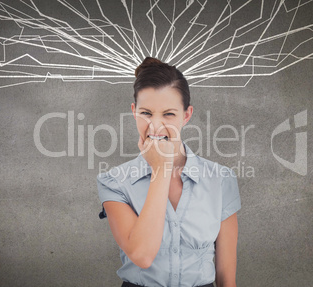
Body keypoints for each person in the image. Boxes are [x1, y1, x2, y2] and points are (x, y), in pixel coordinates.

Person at [97, 57, 241, 287]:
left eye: (169, 114)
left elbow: (226, 279)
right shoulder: (114, 182)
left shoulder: (221, 180)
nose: (155, 126)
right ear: (134, 112)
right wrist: (161, 168)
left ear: (186, 115)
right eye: (146, 113)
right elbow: (142, 255)